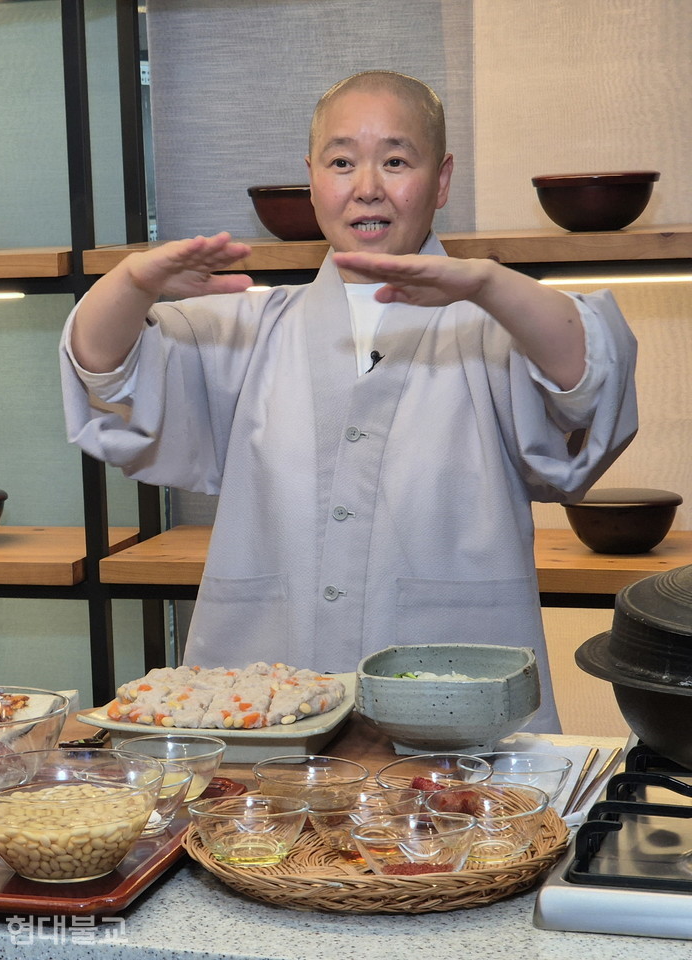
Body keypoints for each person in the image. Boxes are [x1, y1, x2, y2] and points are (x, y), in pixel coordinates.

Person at [59, 70, 638, 732]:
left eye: (395, 160)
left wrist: (486, 282)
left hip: (455, 714)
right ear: (312, 179)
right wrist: (131, 282)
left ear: (442, 179)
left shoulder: (496, 327)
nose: (367, 186)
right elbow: (104, 370)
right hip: (267, 715)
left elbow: (593, 374)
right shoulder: (251, 328)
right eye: (342, 162)